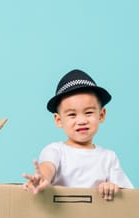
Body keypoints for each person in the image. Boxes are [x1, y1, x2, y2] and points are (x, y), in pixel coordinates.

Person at [22, 69, 133, 200]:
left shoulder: (108, 158)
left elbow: (128, 196)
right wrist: (42, 177)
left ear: (101, 115)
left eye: (88, 112)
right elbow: (48, 166)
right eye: (72, 115)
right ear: (59, 120)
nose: (81, 121)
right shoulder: (55, 151)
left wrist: (112, 187)